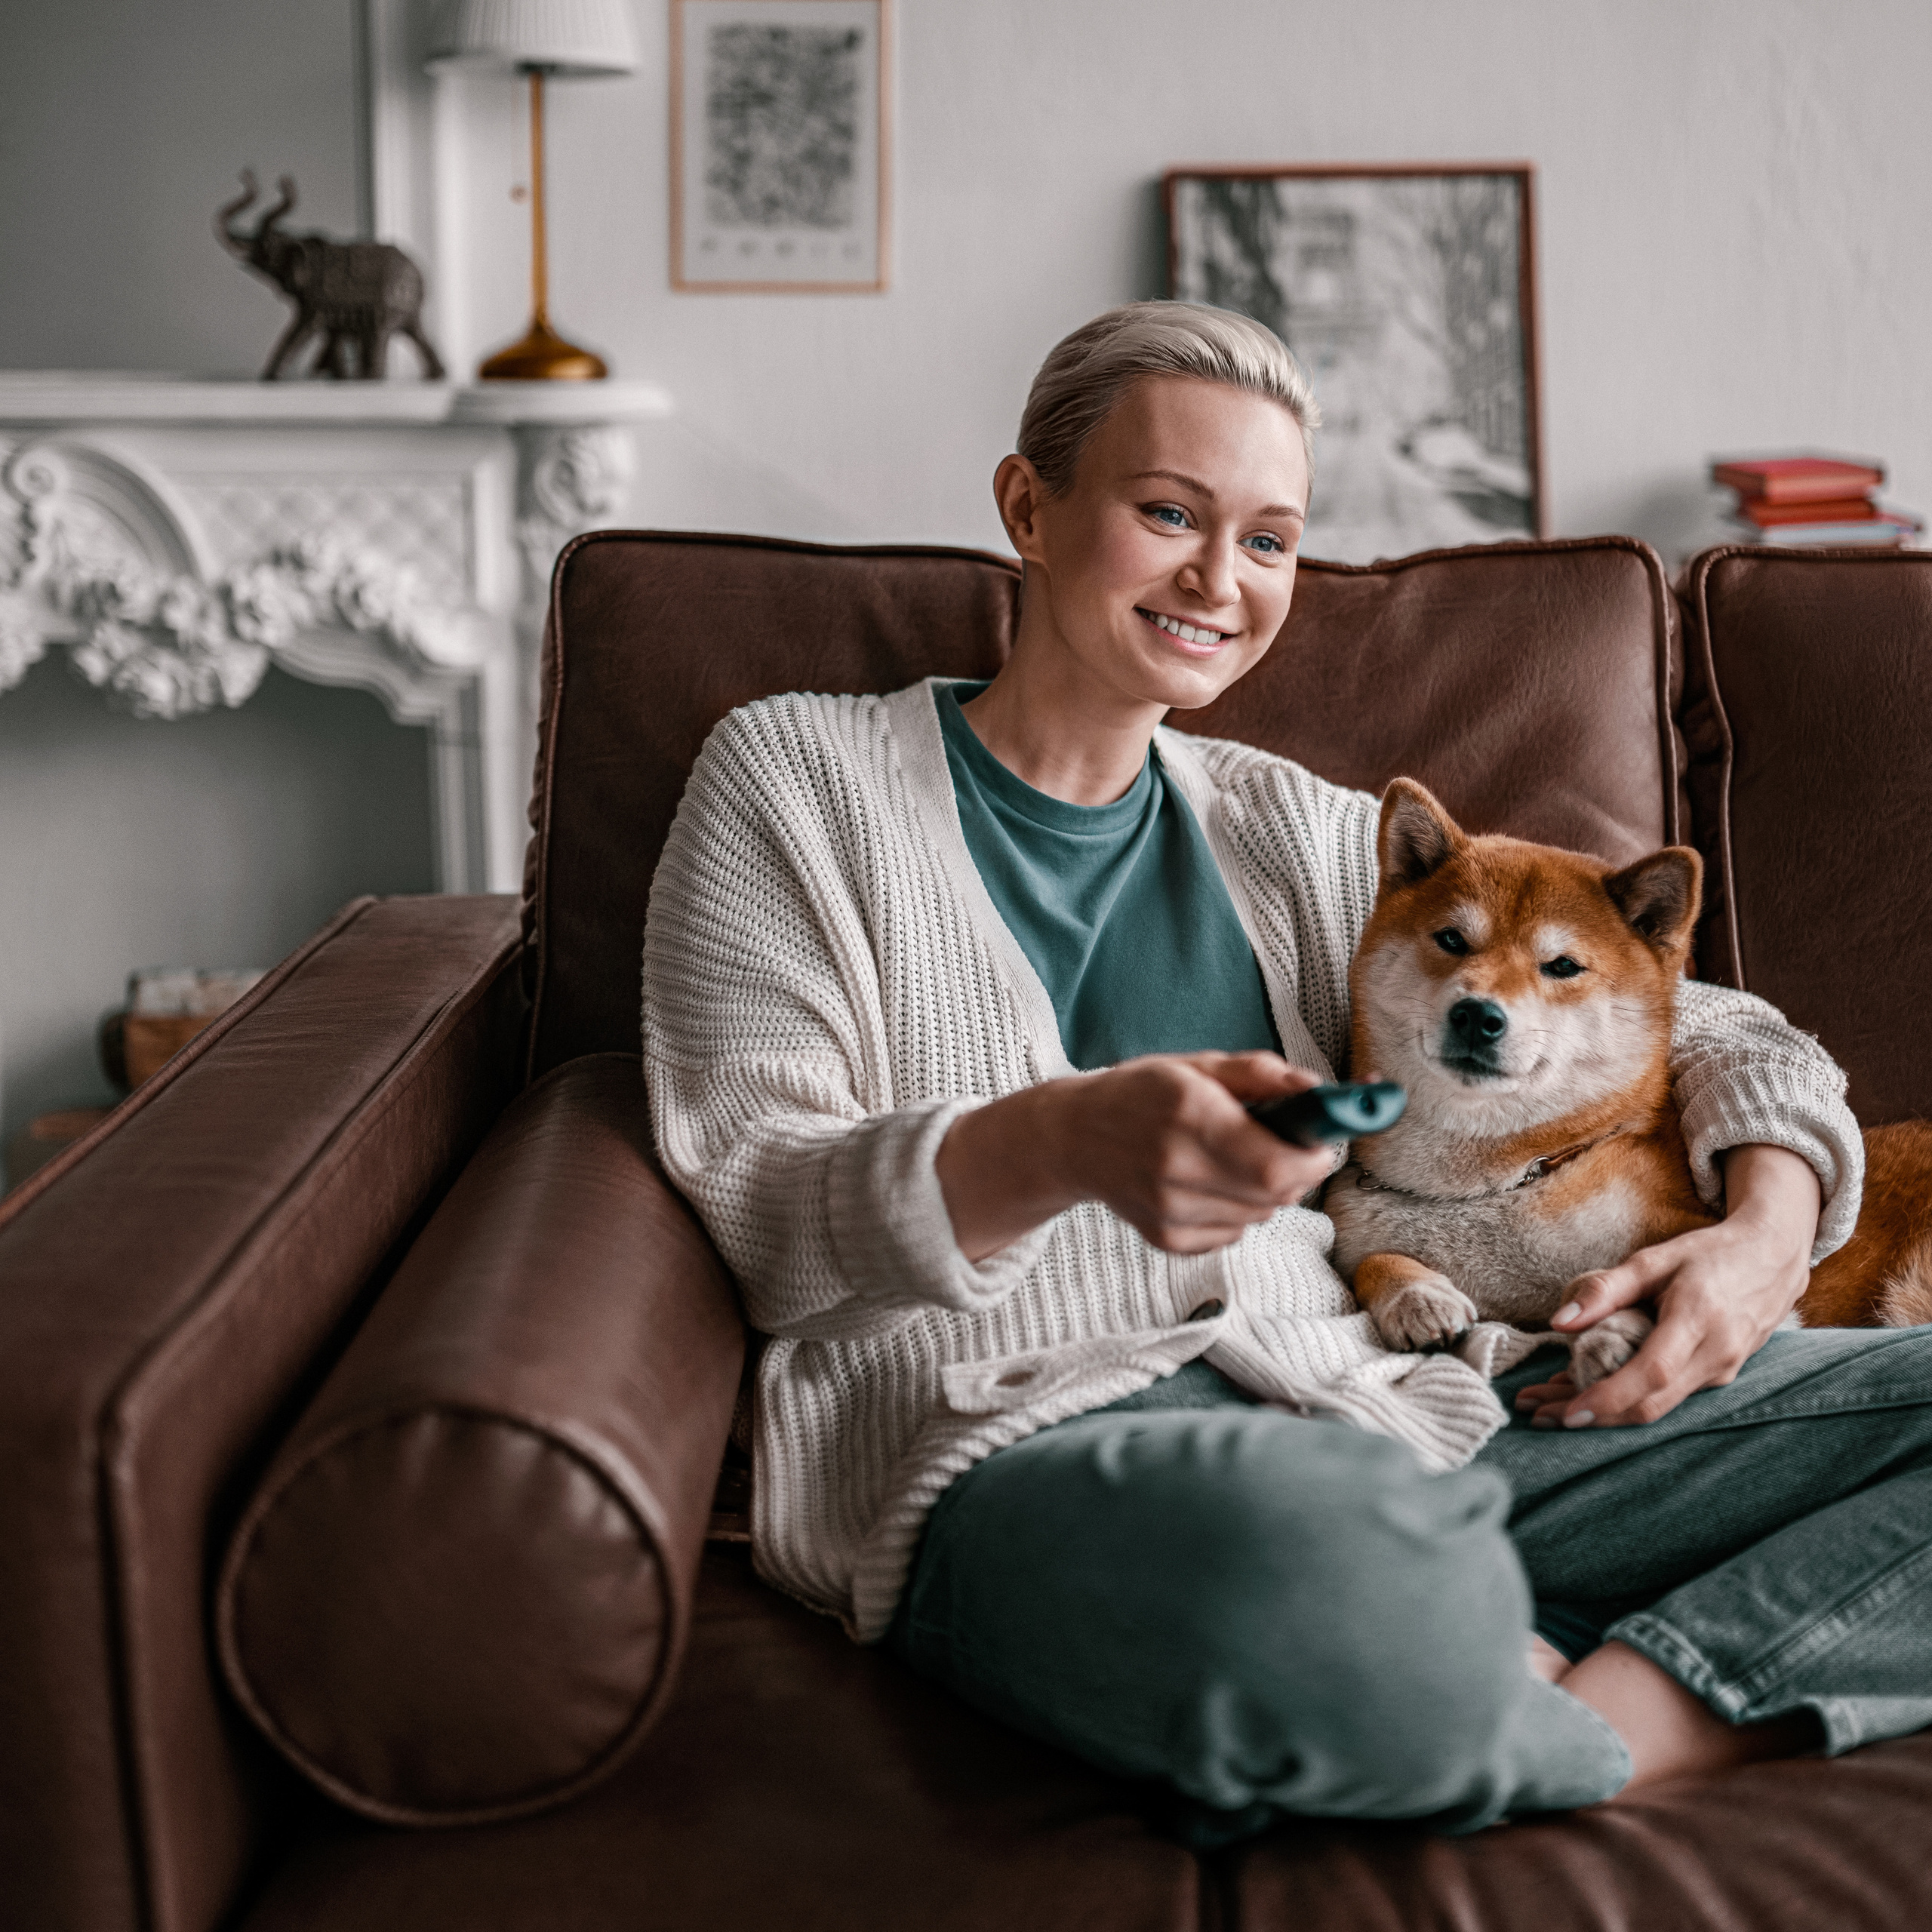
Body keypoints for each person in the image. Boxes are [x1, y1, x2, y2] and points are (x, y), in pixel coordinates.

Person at [642, 301, 1931, 1837]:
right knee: (1325, 1566)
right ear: (1027, 507)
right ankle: (1446, 1642)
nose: (1217, 579)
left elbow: (1707, 1022)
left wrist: (1763, 1234)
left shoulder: (1286, 826)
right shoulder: (794, 779)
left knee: (1381, 1559)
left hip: (1406, 1407)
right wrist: (1059, 1142)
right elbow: (762, 1216)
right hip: (1021, 1443)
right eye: (1168, 513)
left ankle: (1595, 1715)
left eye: (1267, 537)